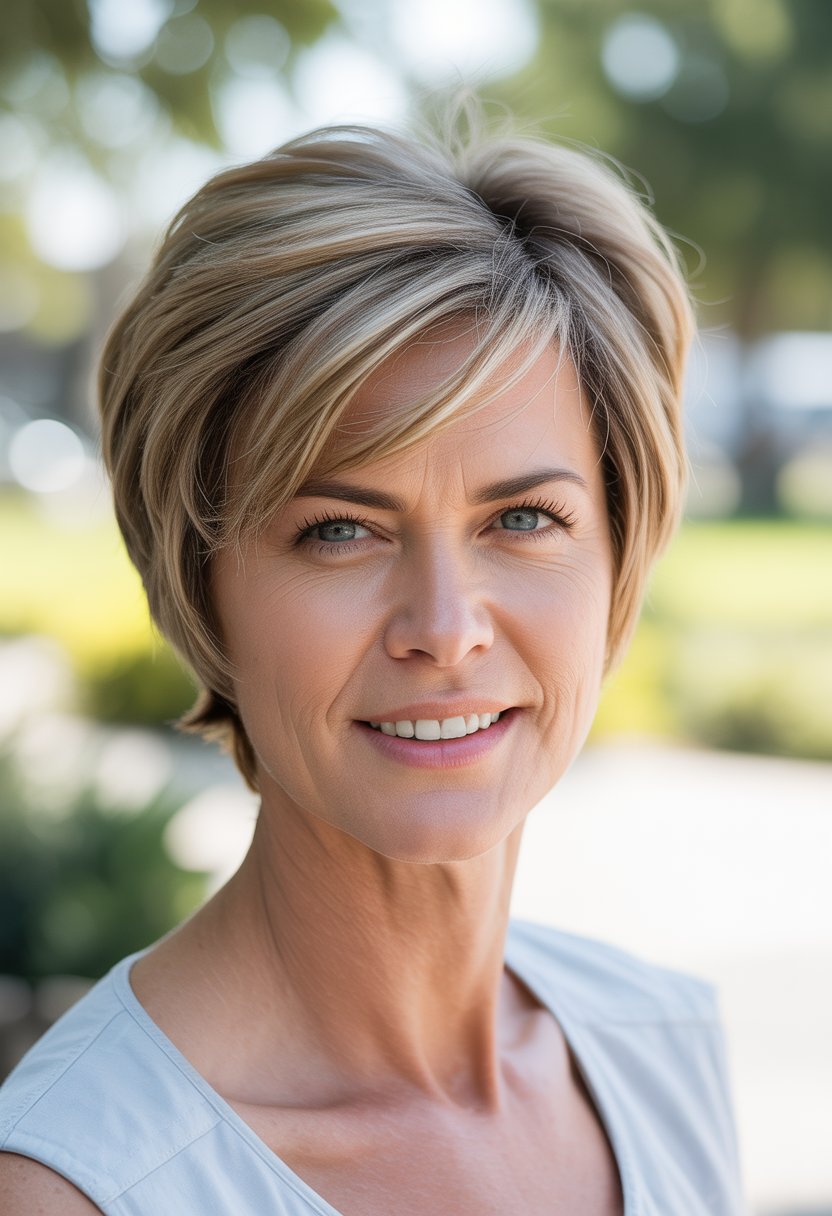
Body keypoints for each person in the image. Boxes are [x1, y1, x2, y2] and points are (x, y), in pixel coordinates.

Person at [0, 107, 745, 1214]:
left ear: (619, 557)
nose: (444, 627)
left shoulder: (663, 1048)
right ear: (201, 584)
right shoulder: (75, 1186)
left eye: (524, 518)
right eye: (340, 530)